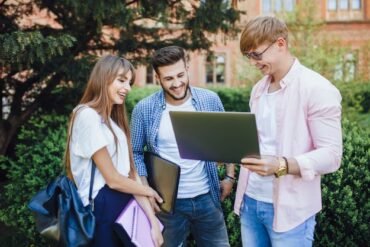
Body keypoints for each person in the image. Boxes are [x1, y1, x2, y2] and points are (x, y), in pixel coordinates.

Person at [234, 16, 342, 247]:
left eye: (257, 54)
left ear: (280, 44)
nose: (253, 62)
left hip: (290, 209)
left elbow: (332, 156)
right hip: (250, 201)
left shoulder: (318, 88)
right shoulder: (258, 89)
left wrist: (280, 166)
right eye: (249, 56)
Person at [130, 46, 234, 247]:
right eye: (169, 79)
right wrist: (146, 191)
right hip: (167, 205)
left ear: (187, 68)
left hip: (208, 198)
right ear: (158, 78)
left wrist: (229, 176)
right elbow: (135, 152)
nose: (177, 83)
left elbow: (226, 138)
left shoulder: (209, 100)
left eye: (180, 75)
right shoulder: (144, 109)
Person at [65, 55, 164, 247]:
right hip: (102, 208)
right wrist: (149, 190)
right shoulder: (87, 115)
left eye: (129, 82)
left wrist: (152, 222)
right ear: (103, 78)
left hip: (123, 205)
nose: (127, 88)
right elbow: (112, 179)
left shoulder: (113, 122)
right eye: (121, 80)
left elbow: (131, 174)